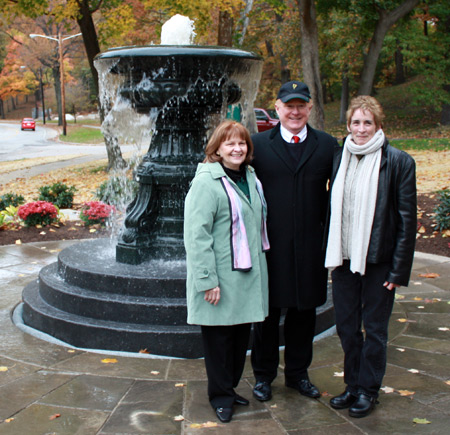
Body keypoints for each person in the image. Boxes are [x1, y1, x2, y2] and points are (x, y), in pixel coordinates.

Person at [325, 95, 416, 418]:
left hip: (379, 261)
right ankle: (352, 385)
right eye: (355, 122)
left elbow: (406, 219)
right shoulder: (340, 157)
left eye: (367, 122)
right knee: (347, 327)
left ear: (378, 125)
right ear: (348, 125)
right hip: (345, 258)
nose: (361, 129)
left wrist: (398, 270)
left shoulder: (399, 161)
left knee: (374, 329)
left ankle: (368, 390)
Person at [250, 81, 338, 402]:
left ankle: (298, 374)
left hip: (310, 248)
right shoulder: (257, 145)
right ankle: (264, 376)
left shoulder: (328, 146)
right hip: (270, 248)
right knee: (267, 316)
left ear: (310, 108)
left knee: (304, 315)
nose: (295, 111)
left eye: (302, 105)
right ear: (278, 108)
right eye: (290, 105)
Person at [184, 120, 269, 423]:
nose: (237, 149)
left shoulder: (249, 177)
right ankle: (220, 396)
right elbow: (197, 236)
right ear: (217, 148)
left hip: (245, 274)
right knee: (219, 342)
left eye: (242, 143)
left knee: (237, 339)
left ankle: (229, 389)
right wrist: (207, 281)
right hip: (219, 276)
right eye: (230, 143)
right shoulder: (207, 182)